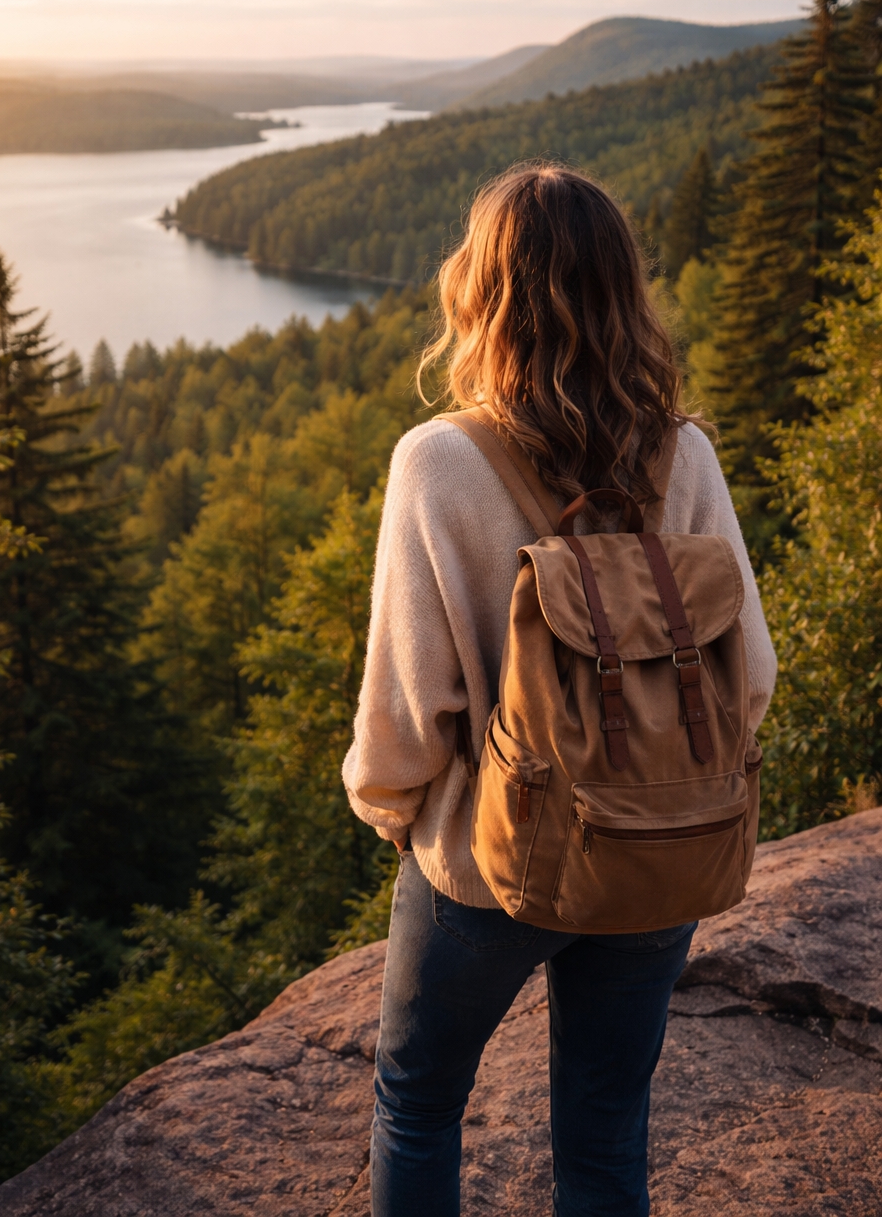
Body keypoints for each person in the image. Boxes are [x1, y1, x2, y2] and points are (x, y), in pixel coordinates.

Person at [342, 163, 777, 1217]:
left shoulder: (438, 460)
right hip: (659, 844)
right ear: (625, 291)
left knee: (418, 1101)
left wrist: (395, 813)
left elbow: (408, 711)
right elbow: (749, 675)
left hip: (494, 862)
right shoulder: (685, 454)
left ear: (479, 295)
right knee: (602, 1120)